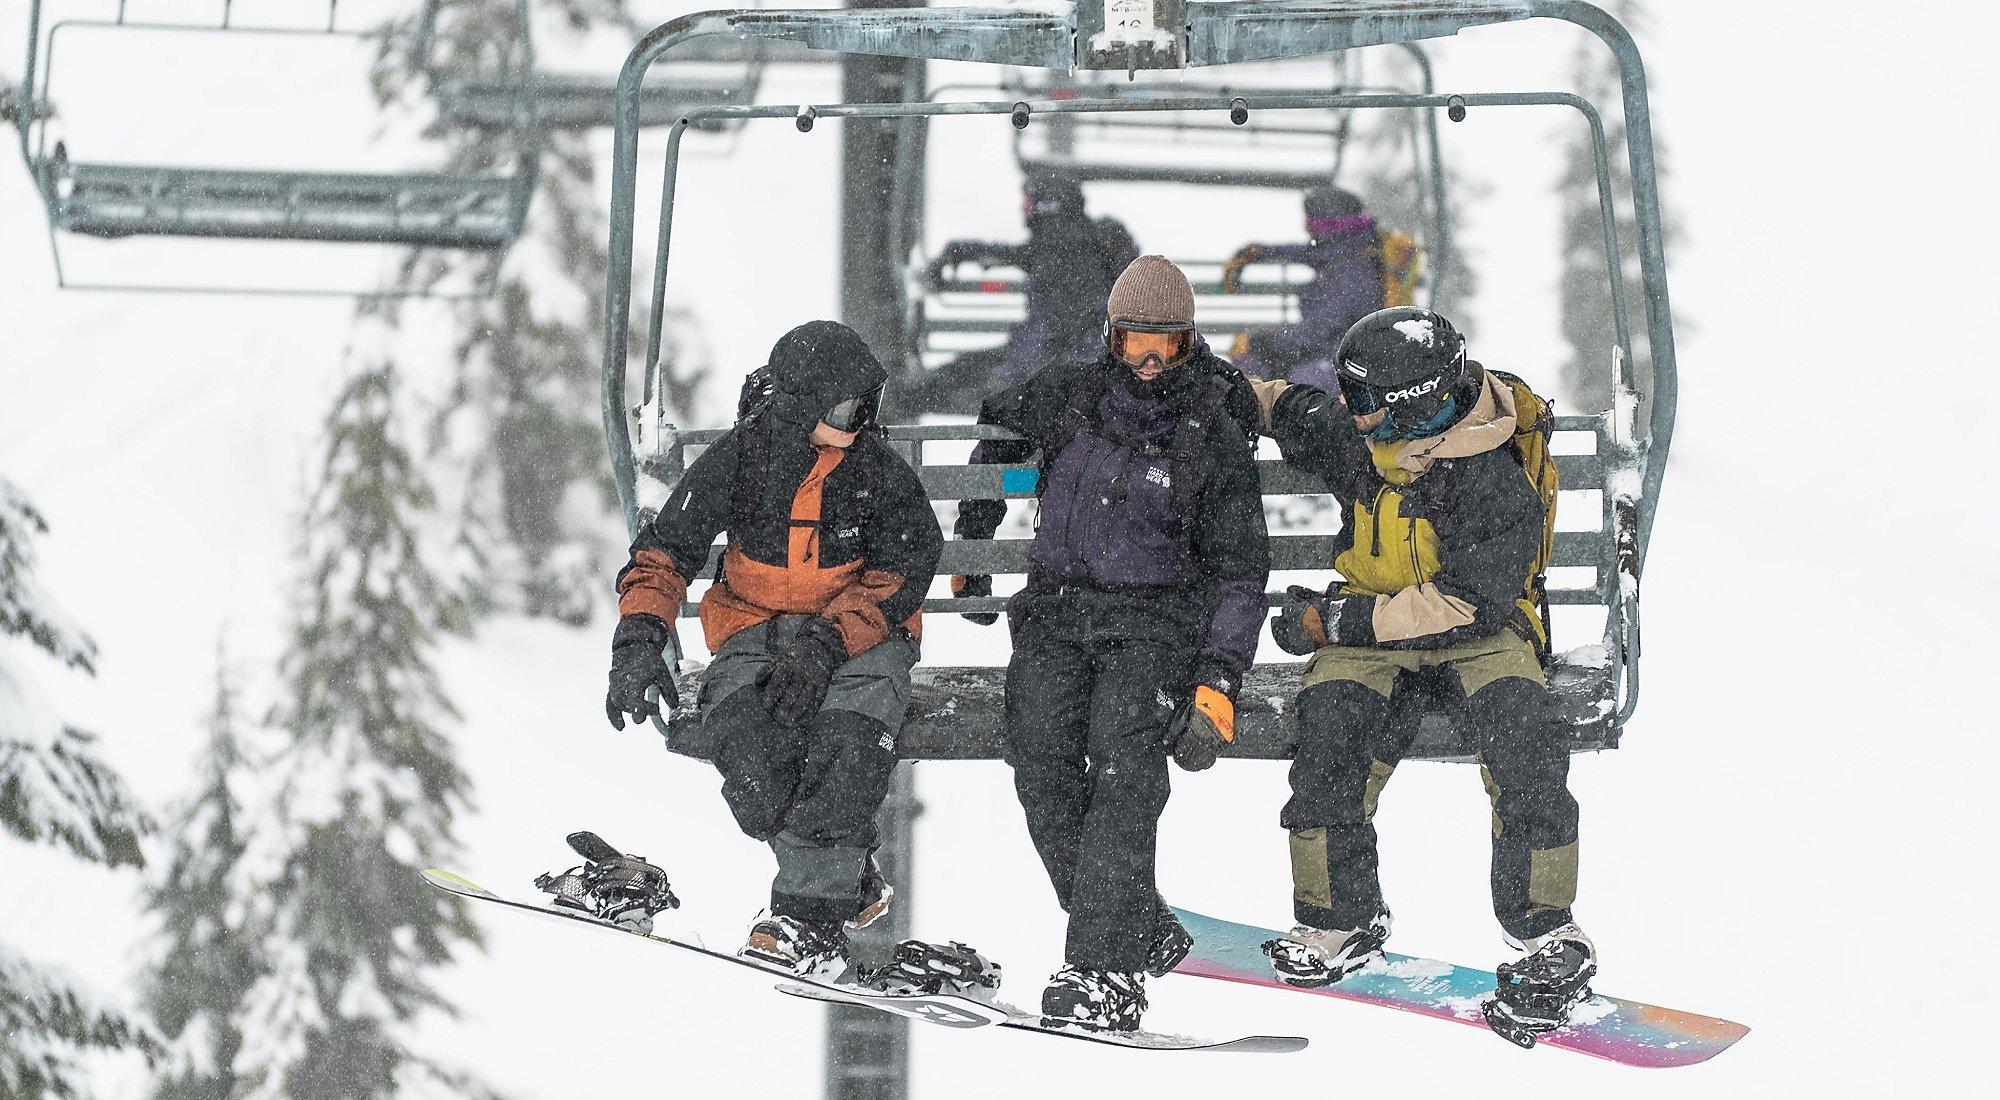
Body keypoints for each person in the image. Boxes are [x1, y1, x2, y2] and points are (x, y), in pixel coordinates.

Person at [1248, 306, 1593, 1039]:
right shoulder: (1361, 436)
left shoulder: (1489, 476)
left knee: (1523, 735)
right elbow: (1284, 406)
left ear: (1409, 403)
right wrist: (1216, 390)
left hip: (1478, 629)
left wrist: (1337, 623)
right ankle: (1338, 919)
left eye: (1364, 398)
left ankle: (1547, 928)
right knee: (1331, 731)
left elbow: (1465, 604)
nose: (1350, 410)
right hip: (1377, 631)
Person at [966, 255, 1270, 1032]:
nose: (1147, 360)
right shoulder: (1073, 396)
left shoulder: (1208, 429)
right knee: (1040, 764)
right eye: (1135, 338)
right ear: (1112, 334)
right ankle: (1133, 924)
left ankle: (1104, 970)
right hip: (1058, 618)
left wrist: (1217, 682)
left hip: (1153, 627)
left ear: (1188, 342)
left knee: (1124, 770)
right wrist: (975, 538)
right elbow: (999, 423)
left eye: (1164, 344)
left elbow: (1239, 572)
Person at [603, 321, 944, 979]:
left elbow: (905, 568)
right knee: (748, 750)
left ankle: (807, 922)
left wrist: (828, 642)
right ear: (800, 405)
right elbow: (665, 551)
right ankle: (848, 879)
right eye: (847, 408)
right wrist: (640, 641)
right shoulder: (741, 461)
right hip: (754, 629)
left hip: (862, 639)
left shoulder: (878, 473)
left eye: (867, 406)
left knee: (847, 741)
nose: (862, 421)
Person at [902, 168, 1140, 415]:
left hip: (1046, 378)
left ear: (1046, 205)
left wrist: (1006, 377)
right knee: (953, 377)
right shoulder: (1078, 245)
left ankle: (899, 401)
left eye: (1026, 203)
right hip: (1052, 370)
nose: (1022, 211)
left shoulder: (1060, 254)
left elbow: (1058, 336)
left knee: (942, 385)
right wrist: (959, 251)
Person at [1223, 185, 1419, 391]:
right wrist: (1261, 252)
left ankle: (1262, 417)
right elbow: (1311, 253)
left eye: (1312, 228)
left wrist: (1261, 340)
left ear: (1328, 227)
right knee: (1260, 366)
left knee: (1288, 382)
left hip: (1350, 363)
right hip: (1335, 351)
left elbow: (1318, 330)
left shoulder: (1353, 274)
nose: (1308, 234)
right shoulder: (1351, 249)